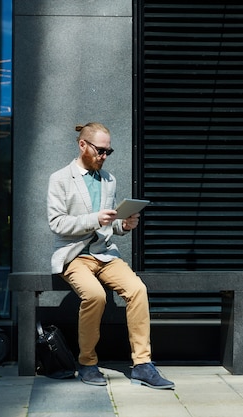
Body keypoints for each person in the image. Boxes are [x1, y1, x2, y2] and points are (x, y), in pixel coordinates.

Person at [47, 122, 175, 390]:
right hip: (75, 255)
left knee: (137, 289)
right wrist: (94, 219)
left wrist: (123, 226)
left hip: (104, 254)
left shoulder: (108, 180)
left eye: (108, 152)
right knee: (95, 295)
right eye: (100, 151)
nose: (104, 157)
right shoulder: (60, 178)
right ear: (83, 145)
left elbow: (110, 224)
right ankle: (88, 363)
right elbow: (57, 223)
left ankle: (142, 364)